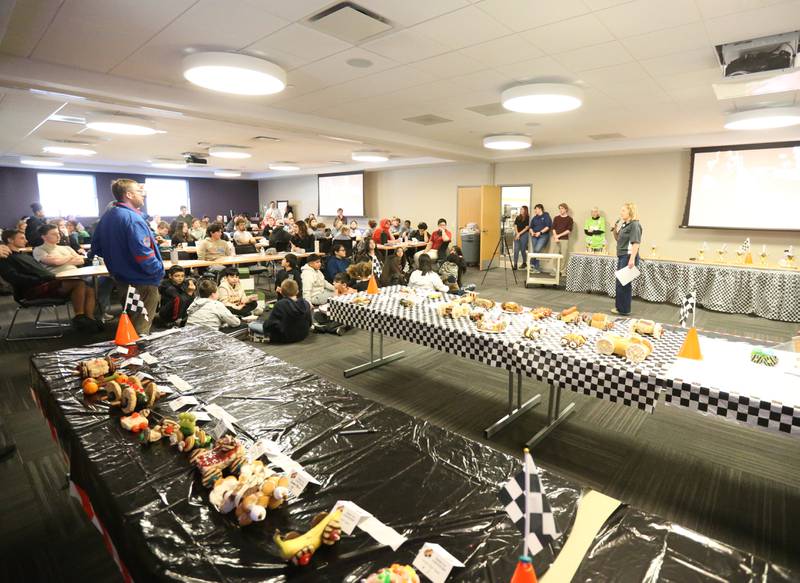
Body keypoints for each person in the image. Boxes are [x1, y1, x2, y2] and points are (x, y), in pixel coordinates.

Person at [91, 179, 164, 335]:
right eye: (139, 191)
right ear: (129, 194)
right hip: (142, 281)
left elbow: (96, 247)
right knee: (141, 325)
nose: (143, 195)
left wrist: (119, 260)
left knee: (132, 319)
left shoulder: (108, 217)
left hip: (122, 279)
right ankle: (137, 356)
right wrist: (158, 271)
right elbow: (143, 254)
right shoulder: (133, 219)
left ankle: (132, 353)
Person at [0, 229, 99, 330]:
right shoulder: (6, 259)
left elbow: (41, 271)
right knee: (79, 283)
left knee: (89, 288)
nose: (26, 240)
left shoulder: (24, 255)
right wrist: (41, 279)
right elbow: (15, 278)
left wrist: (46, 278)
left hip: (44, 283)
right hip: (30, 290)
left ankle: (89, 319)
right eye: (22, 238)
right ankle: (80, 317)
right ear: (10, 240)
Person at [249, 279, 311, 343]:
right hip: (302, 334)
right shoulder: (305, 303)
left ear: (281, 292)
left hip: (285, 337)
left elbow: (270, 325)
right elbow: (310, 323)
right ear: (297, 291)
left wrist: (265, 325)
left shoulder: (280, 304)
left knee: (252, 324)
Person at [612, 202, 642, 316]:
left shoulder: (635, 225)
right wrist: (615, 230)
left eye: (623, 210)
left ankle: (624, 310)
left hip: (628, 256)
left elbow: (636, 243)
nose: (621, 212)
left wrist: (632, 259)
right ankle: (619, 307)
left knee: (624, 284)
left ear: (630, 212)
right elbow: (619, 239)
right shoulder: (625, 224)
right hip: (622, 256)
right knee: (620, 283)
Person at [551, 203, 574, 277]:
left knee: (563, 256)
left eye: (562, 208)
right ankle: (554, 271)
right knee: (555, 255)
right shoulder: (556, 218)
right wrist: (555, 237)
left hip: (564, 239)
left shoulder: (569, 219)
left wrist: (559, 235)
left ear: (566, 209)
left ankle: (562, 271)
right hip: (556, 239)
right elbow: (553, 228)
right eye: (560, 208)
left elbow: (569, 230)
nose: (561, 210)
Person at [529, 204, 552, 274]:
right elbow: (530, 227)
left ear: (540, 209)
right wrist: (532, 232)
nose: (535, 211)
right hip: (534, 236)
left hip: (543, 235)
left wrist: (540, 232)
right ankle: (536, 268)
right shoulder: (535, 218)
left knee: (537, 250)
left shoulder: (546, 216)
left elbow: (548, 226)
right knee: (536, 251)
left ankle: (532, 264)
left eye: (536, 209)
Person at [512, 205, 531, 271]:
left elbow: (527, 227)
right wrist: (517, 233)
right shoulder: (518, 217)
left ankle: (524, 262)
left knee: (523, 250)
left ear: (525, 210)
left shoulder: (528, 218)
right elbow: (515, 225)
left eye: (522, 209)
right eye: (520, 209)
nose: (521, 210)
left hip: (524, 234)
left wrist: (519, 234)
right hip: (517, 234)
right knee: (516, 250)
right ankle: (515, 264)